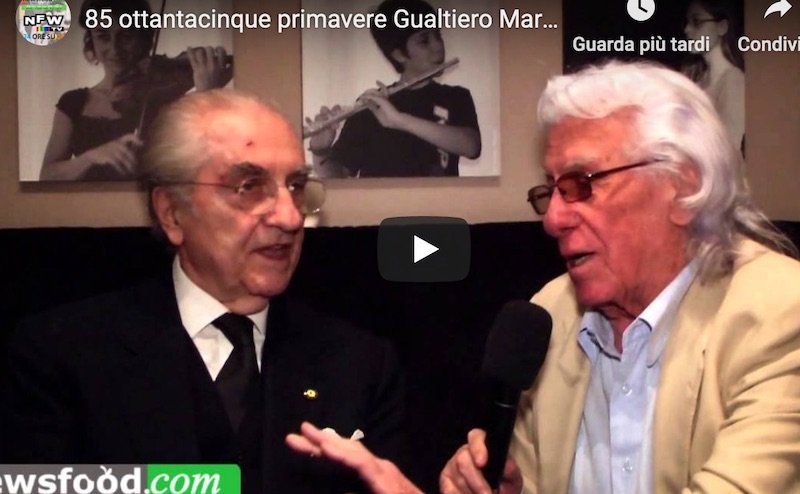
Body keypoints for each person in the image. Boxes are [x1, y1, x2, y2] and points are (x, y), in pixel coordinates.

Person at [295, 61, 800, 494]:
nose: (553, 220)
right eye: (551, 190)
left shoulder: (782, 312)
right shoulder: (551, 314)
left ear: (682, 187)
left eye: (581, 184)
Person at [2, 89, 409, 494]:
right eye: (250, 186)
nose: (290, 217)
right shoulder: (60, 354)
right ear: (172, 213)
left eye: (297, 186)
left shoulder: (362, 363)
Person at [40, 0, 231, 182]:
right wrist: (91, 157)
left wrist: (207, 94)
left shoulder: (166, 99)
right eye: (103, 36)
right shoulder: (73, 102)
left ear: (144, 40)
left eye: (126, 37)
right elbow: (47, 176)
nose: (114, 49)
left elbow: (193, 166)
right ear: (91, 41)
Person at [307, 0, 481, 178]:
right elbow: (337, 178)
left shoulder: (455, 97)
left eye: (438, 35)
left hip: (439, 198)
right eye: (425, 41)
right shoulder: (372, 107)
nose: (438, 47)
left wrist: (399, 120)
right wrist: (320, 150)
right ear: (399, 55)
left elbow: (471, 147)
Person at [682, 0, 745, 151]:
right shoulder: (693, 77)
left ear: (721, 27)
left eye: (697, 21)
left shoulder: (733, 81)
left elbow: (729, 147)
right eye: (687, 22)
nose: (687, 30)